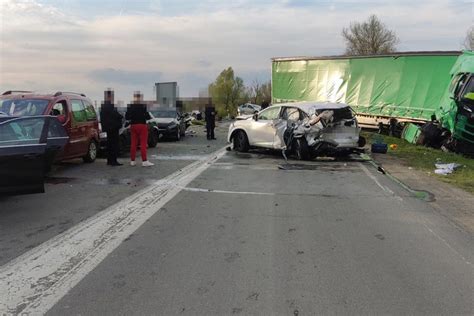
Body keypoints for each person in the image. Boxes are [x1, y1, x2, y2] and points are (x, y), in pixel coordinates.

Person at [125, 91, 154, 167]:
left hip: (133, 126)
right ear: (140, 98)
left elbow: (127, 117)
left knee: (133, 144)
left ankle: (132, 161)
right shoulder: (143, 106)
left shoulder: (130, 106)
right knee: (143, 144)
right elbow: (147, 117)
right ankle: (144, 161)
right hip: (142, 125)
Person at [100, 89, 123, 166]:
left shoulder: (103, 105)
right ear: (109, 96)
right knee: (114, 144)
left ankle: (110, 160)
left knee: (110, 144)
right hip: (113, 128)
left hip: (108, 128)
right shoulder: (110, 105)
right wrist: (121, 116)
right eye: (112, 96)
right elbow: (114, 115)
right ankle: (113, 161)